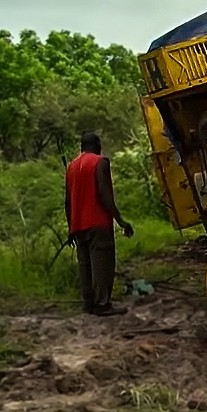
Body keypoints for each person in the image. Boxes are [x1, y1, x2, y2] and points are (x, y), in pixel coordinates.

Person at [65, 132, 133, 317]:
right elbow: (104, 194)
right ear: (96, 144)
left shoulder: (71, 166)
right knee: (102, 264)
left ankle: (88, 304)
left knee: (85, 265)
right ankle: (102, 304)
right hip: (98, 222)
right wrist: (120, 220)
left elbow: (67, 200)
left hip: (78, 224)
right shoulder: (100, 162)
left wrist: (71, 227)